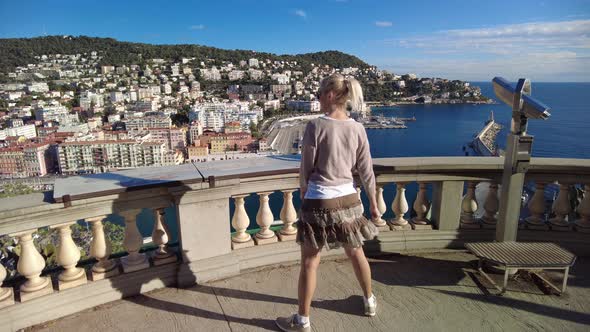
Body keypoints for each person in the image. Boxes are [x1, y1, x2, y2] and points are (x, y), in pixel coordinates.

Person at [276, 74, 380, 332]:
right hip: (349, 199)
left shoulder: (316, 126)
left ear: (331, 95)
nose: (318, 98)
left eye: (321, 93)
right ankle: (369, 301)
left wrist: (303, 191)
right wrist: (375, 203)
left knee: (310, 263)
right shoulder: (357, 128)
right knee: (357, 252)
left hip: (320, 199)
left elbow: (306, 167)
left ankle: (302, 321)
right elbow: (366, 171)